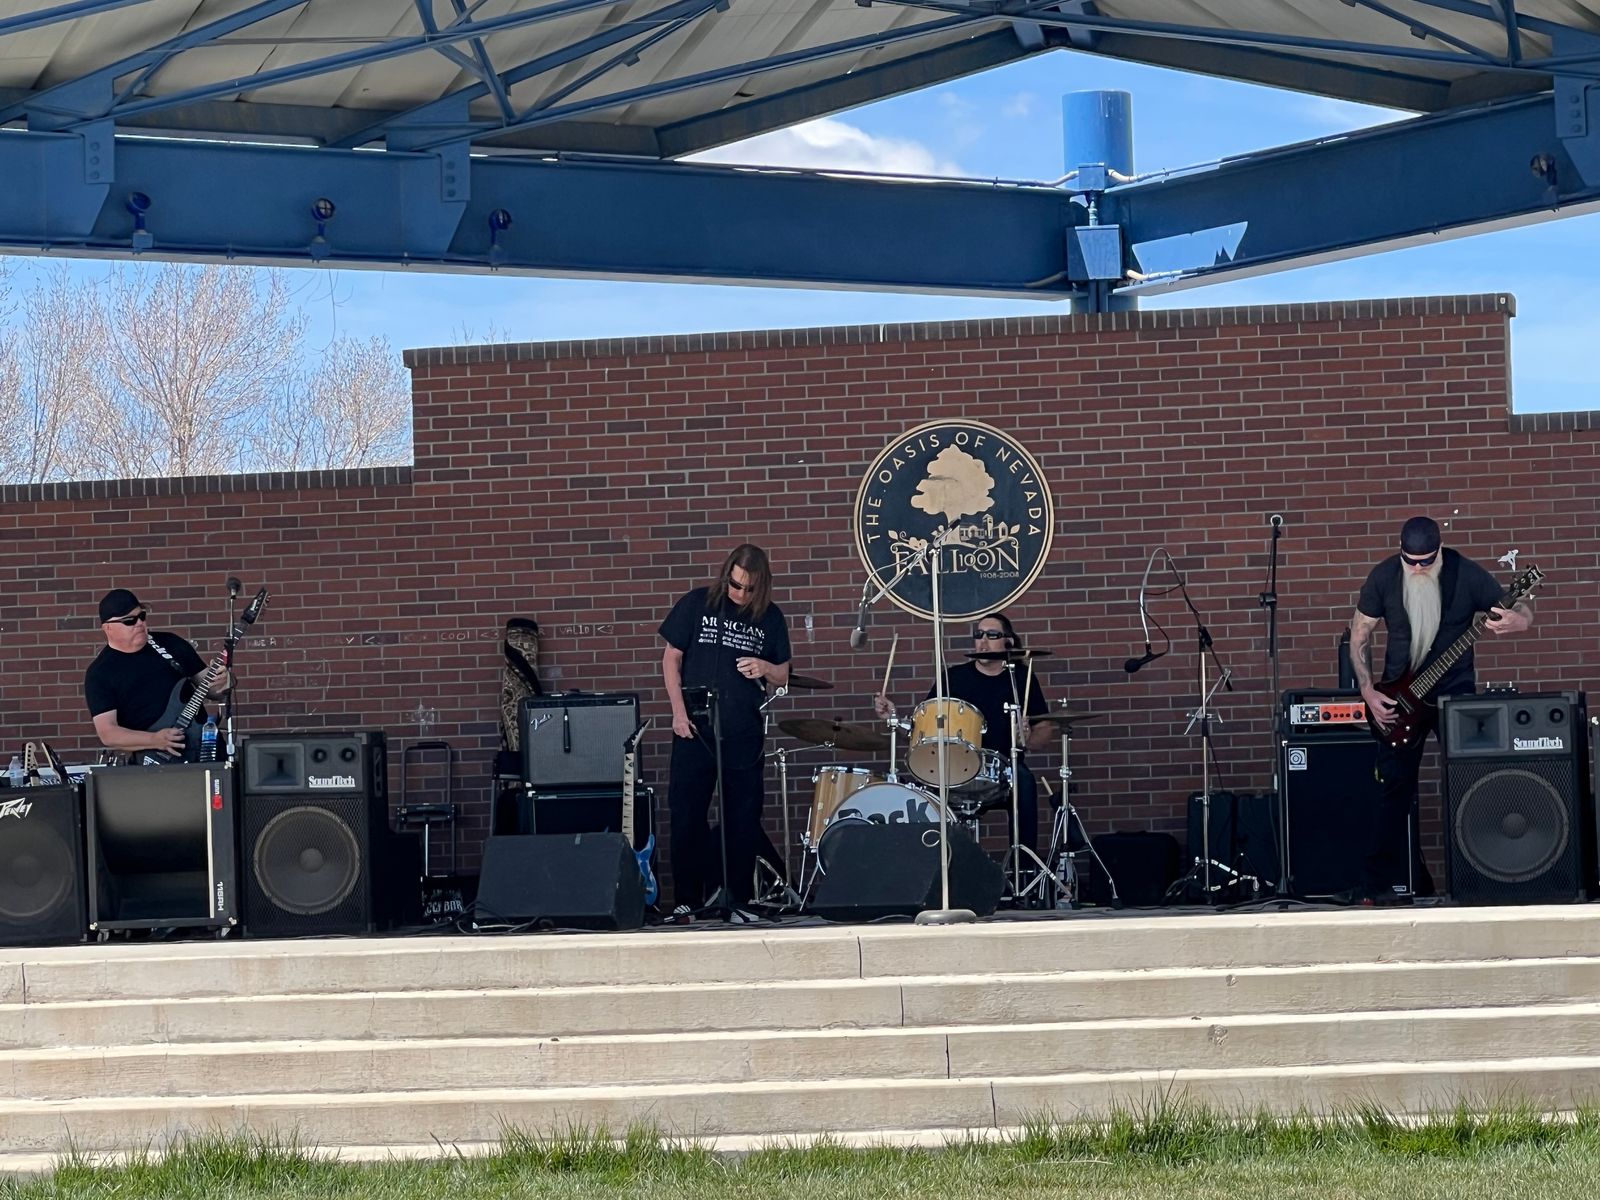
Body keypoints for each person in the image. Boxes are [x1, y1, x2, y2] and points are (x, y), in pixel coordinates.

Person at [1348, 516, 1532, 904]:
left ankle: (1485, 881)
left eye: (1426, 561)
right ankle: (1375, 887)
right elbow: (1360, 632)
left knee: (1473, 786)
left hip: (1455, 697)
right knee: (1393, 791)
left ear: (1440, 551)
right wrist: (1367, 689)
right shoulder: (1384, 576)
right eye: (1410, 560)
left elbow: (1520, 605)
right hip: (1399, 700)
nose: (1417, 568)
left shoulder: (1465, 573)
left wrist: (1520, 620)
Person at [659, 545, 791, 917]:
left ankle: (739, 899)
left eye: (749, 588)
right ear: (726, 576)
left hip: (743, 729)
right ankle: (687, 899)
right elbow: (671, 657)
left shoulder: (770, 617)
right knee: (687, 814)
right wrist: (678, 712)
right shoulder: (698, 603)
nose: (740, 594)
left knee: (742, 818)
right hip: (695, 726)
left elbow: (783, 674)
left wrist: (764, 667)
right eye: (735, 585)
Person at [873, 611, 1052, 857]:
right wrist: (893, 718)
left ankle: (1024, 867)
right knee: (923, 790)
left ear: (1008, 641)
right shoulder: (954, 678)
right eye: (979, 635)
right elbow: (922, 732)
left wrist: (1027, 737)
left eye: (992, 635)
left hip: (1002, 769)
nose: (983, 641)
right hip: (955, 765)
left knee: (1025, 782)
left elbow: (1045, 730)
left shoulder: (1020, 678)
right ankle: (938, 865)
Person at [84, 588, 231, 760]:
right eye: (130, 621)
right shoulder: (100, 673)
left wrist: (224, 680)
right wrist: (154, 740)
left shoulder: (170, 643)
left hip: (207, 748)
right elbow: (108, 734)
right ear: (108, 628)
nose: (139, 623)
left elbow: (214, 691)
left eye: (142, 616)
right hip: (158, 761)